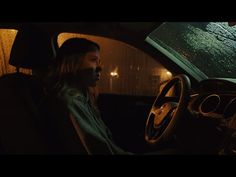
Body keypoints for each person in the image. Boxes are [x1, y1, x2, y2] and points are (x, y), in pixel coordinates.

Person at [42, 38, 132, 154]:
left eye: (99, 61)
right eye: (93, 60)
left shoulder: (84, 98)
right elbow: (98, 148)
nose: (100, 68)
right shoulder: (70, 102)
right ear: (73, 62)